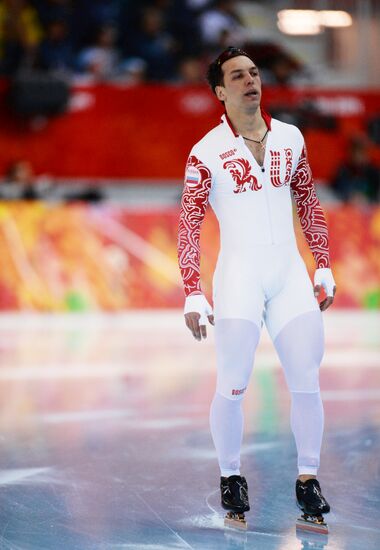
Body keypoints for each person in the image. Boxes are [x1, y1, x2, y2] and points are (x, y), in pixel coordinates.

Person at [177, 47, 336, 526]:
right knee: (233, 383)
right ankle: (231, 476)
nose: (251, 80)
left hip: (288, 275)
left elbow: (308, 201)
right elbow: (188, 222)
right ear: (220, 92)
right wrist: (193, 289)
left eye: (254, 72)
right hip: (240, 278)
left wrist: (322, 265)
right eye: (237, 76)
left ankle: (308, 480)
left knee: (307, 380)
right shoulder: (205, 152)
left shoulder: (291, 137)